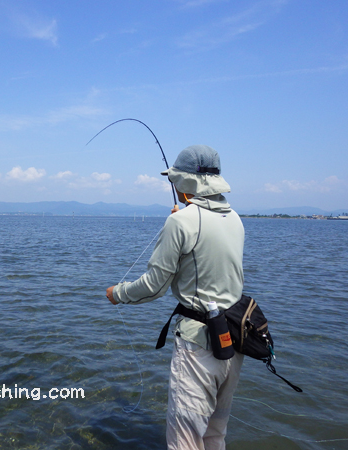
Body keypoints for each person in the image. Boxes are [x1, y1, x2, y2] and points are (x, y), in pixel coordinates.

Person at [106, 145, 245, 450]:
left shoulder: (180, 222)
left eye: (175, 181)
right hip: (234, 344)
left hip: (199, 347)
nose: (174, 186)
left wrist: (117, 294)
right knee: (214, 436)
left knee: (184, 442)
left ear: (186, 183)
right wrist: (183, 221)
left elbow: (154, 286)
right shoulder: (235, 218)